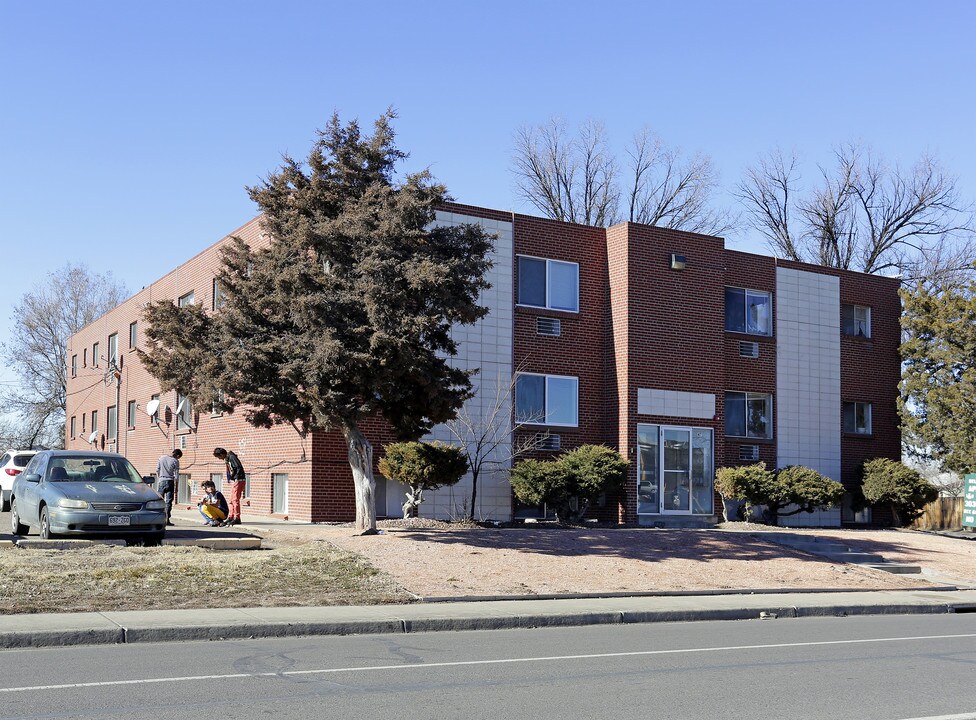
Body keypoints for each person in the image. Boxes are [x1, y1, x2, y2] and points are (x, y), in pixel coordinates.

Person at [213, 447, 245, 527]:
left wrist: (234, 477)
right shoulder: (228, 458)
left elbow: (238, 467)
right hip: (235, 480)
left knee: (235, 500)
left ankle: (237, 518)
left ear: (222, 454)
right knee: (231, 500)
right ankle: (231, 517)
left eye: (218, 457)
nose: (219, 459)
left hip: (239, 480)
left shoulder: (231, 457)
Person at [155, 449, 182, 526]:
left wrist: (159, 479)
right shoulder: (175, 461)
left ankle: (158, 519)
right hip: (170, 481)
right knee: (169, 502)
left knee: (159, 500)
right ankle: (167, 519)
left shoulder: (161, 458)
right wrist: (176, 487)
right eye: (178, 457)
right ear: (177, 456)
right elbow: (176, 475)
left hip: (161, 481)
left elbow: (157, 470)